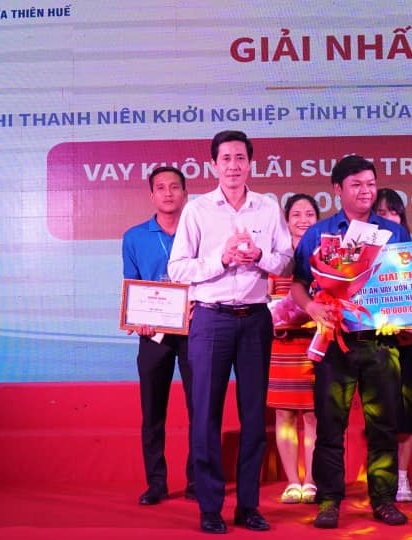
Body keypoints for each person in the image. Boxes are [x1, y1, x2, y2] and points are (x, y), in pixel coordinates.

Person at [167, 130, 293, 534]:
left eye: (241, 158)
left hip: (255, 319)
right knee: (206, 414)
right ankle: (210, 506)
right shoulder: (198, 210)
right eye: (226, 159)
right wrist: (220, 259)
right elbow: (177, 268)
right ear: (213, 165)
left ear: (251, 163)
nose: (234, 166)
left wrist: (260, 257)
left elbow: (286, 260)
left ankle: (249, 506)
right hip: (211, 319)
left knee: (254, 416)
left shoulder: (267, 208)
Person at [291, 155, 412, 529]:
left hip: (381, 343)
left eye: (371, 184)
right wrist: (312, 307)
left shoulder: (393, 233)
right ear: (337, 189)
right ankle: (329, 500)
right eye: (357, 184)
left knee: (384, 424)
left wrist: (403, 314)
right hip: (335, 342)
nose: (366, 191)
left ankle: (383, 499)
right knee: (330, 426)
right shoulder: (320, 233)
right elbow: (298, 283)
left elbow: (410, 282)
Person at [122, 166, 195, 506]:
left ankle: (197, 480)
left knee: (200, 409)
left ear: (185, 193)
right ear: (151, 195)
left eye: (175, 187)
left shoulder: (197, 232)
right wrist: (139, 319)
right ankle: (156, 483)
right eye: (161, 188)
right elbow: (132, 283)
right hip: (153, 334)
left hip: (196, 328)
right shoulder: (134, 237)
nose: (168, 193)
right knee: (152, 410)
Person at [268, 194, 320, 505]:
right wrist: (274, 318)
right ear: (286, 221)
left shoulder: (326, 257)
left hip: (316, 346)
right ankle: (292, 482)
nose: (303, 220)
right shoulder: (277, 258)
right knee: (284, 414)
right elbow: (264, 299)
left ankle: (311, 480)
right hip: (281, 345)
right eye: (296, 215)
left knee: (314, 415)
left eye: (309, 214)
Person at [373, 188, 412, 503]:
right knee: (380, 412)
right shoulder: (362, 262)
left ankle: (402, 478)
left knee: (406, 412)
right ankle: (381, 477)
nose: (389, 219)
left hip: (408, 344)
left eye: (394, 213)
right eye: (382, 213)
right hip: (376, 345)